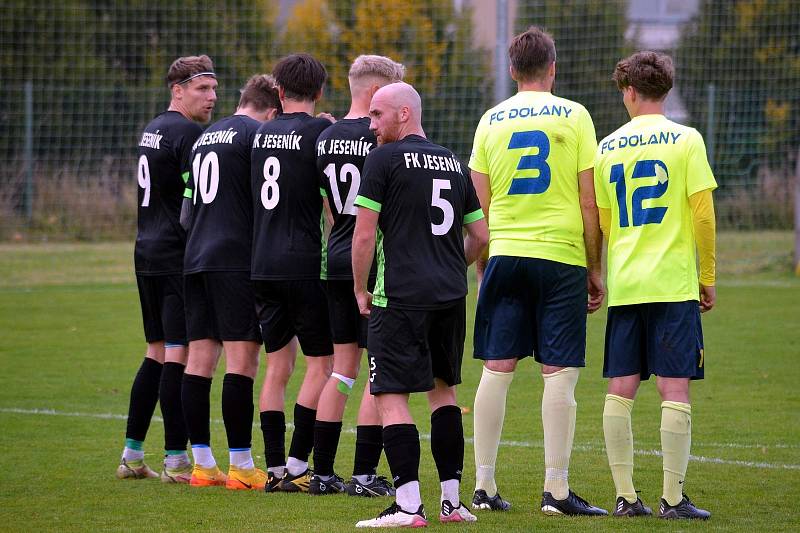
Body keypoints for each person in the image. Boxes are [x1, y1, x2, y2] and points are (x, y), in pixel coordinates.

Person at [468, 26, 607, 515]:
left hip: (506, 252)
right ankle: (556, 490)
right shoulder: (575, 115)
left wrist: (485, 266)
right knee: (559, 372)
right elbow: (589, 201)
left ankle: (483, 486)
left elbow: (478, 208)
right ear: (553, 68)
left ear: (511, 70)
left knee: (496, 368)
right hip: (561, 254)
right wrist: (595, 267)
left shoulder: (490, 120)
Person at [352, 82, 489, 527]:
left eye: (377, 115)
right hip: (449, 295)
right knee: (443, 393)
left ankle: (409, 505)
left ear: (404, 113)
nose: (370, 125)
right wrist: (452, 265)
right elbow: (483, 237)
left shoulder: (383, 160)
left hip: (400, 297)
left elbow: (364, 234)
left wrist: (360, 288)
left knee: (391, 395)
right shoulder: (452, 161)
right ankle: (453, 503)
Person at [595, 51, 715, 520]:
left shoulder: (606, 147)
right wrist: (707, 276)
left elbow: (603, 221)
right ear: (667, 89)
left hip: (627, 284)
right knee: (675, 389)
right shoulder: (686, 140)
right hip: (672, 285)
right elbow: (703, 215)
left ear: (629, 91)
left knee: (619, 389)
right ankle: (672, 498)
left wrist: (598, 272)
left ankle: (625, 497)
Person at [178, 75, 281, 490]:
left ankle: (202, 464)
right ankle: (240, 465)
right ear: (272, 111)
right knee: (242, 362)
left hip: (196, 257)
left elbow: (186, 211)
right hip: (234, 259)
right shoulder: (258, 136)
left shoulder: (206, 135)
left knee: (199, 361)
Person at [117, 55, 216, 482]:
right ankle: (177, 459)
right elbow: (195, 203)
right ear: (178, 90)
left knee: (156, 351)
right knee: (182, 354)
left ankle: (133, 455)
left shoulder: (153, 128)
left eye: (214, 89)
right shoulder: (189, 134)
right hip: (176, 254)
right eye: (202, 89)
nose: (212, 97)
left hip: (146, 250)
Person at [310, 54, 405, 497]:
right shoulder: (381, 140)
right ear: (374, 94)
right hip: (372, 264)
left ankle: (323, 472)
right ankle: (365, 475)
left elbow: (327, 205)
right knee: (375, 371)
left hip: (335, 257)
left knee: (340, 370)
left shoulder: (325, 137)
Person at [250, 53, 334, 493]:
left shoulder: (261, 133)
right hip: (302, 261)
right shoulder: (322, 132)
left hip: (261, 263)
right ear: (319, 93)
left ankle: (275, 468)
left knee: (276, 368)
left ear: (279, 93)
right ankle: (300, 466)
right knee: (322, 364)